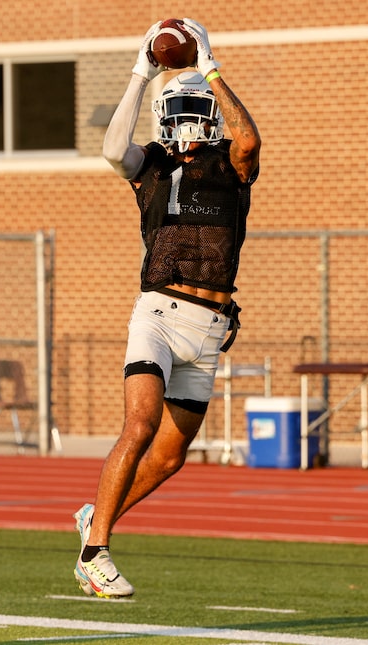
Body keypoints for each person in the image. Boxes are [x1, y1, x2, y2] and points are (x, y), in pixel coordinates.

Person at [73, 18, 261, 598]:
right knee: (140, 423)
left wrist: (210, 68)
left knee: (172, 455)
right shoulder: (150, 165)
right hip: (157, 312)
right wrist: (140, 69)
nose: (184, 116)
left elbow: (249, 139)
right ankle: (94, 552)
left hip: (206, 329)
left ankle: (94, 518)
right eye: (173, 104)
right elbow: (110, 147)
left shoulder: (233, 165)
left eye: (194, 105)